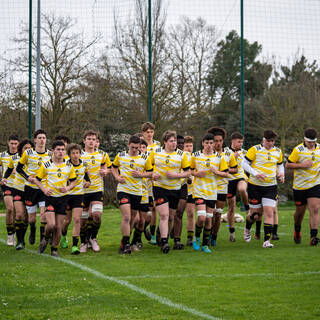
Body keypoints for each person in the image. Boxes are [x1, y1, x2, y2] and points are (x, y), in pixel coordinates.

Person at [32, 140, 77, 256]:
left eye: (63, 150)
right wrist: (44, 190)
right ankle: (46, 237)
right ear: (53, 151)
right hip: (50, 198)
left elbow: (74, 181)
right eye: (58, 149)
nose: (61, 152)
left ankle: (54, 249)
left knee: (58, 226)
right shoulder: (46, 165)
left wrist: (68, 188)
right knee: (51, 224)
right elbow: (37, 180)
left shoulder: (68, 165)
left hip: (63, 199)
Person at [149, 130, 191, 253]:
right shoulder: (155, 152)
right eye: (171, 141)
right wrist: (152, 174)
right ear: (165, 142)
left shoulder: (181, 155)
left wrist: (176, 175)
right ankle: (164, 242)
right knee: (164, 215)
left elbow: (188, 172)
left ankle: (161, 234)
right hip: (159, 188)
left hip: (175, 189)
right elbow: (147, 167)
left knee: (171, 217)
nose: (174, 143)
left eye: (175, 141)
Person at [242, 130, 284, 248]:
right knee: (255, 215)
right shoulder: (255, 149)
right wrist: (255, 174)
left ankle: (266, 241)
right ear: (263, 140)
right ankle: (247, 228)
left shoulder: (277, 151)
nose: (270, 143)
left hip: (271, 186)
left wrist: (281, 174)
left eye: (272, 141)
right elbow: (244, 163)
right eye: (268, 141)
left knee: (269, 211)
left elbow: (280, 165)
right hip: (255, 186)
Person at [112, 135, 153, 254]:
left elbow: (150, 173)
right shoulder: (121, 155)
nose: (134, 149)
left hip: (137, 192)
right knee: (126, 217)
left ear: (140, 146)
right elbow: (114, 168)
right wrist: (117, 177)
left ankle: (125, 242)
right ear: (128, 144)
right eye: (132, 147)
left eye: (136, 147)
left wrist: (141, 175)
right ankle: (125, 244)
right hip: (123, 190)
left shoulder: (145, 158)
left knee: (133, 219)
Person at [191, 133, 229, 253]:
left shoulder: (219, 157)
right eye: (206, 143)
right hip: (199, 191)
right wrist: (197, 174)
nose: (209, 145)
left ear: (213, 144)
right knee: (201, 217)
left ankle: (205, 244)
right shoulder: (195, 155)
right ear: (202, 143)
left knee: (208, 219)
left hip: (212, 192)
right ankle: (196, 237)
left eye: (211, 143)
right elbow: (190, 170)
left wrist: (216, 172)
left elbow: (226, 173)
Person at [16, 129, 51, 245]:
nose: (42, 140)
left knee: (43, 216)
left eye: (44, 138)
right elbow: (19, 168)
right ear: (35, 140)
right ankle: (32, 228)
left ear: (46, 140)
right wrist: (27, 177)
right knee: (31, 219)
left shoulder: (50, 154)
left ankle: (42, 240)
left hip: (43, 189)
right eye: (39, 138)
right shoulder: (28, 153)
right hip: (30, 189)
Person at [286, 128, 320, 245]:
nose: (311, 144)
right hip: (300, 186)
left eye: (313, 141)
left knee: (315, 209)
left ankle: (313, 237)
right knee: (299, 213)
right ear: (304, 139)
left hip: (315, 184)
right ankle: (297, 230)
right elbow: (288, 165)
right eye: (309, 142)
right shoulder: (298, 150)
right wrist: (302, 165)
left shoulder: (319, 148)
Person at [80, 130, 111, 252]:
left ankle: (93, 238)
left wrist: (105, 171)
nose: (91, 141)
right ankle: (83, 242)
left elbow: (108, 167)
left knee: (97, 216)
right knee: (83, 220)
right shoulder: (79, 155)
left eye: (94, 139)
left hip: (97, 190)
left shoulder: (102, 154)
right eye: (89, 139)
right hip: (82, 192)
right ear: (84, 141)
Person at [208, 127, 238, 246]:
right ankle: (207, 234)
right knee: (210, 214)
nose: (218, 143)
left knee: (218, 213)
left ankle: (214, 237)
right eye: (215, 141)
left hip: (222, 188)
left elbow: (235, 169)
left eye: (220, 141)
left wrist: (224, 170)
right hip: (209, 187)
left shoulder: (228, 154)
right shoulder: (207, 154)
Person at [60, 143, 91, 254]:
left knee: (77, 219)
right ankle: (63, 235)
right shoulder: (65, 165)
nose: (75, 155)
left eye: (77, 153)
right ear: (69, 154)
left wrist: (87, 183)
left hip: (79, 195)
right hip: (67, 195)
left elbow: (87, 179)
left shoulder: (83, 164)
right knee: (67, 220)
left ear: (80, 153)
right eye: (73, 153)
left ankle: (74, 246)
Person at [226, 132, 249, 242]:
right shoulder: (226, 151)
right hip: (229, 180)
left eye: (242, 142)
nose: (241, 144)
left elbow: (251, 164)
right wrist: (231, 158)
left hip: (241, 177)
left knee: (242, 189)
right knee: (231, 207)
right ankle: (232, 232)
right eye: (239, 142)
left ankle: (247, 208)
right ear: (233, 141)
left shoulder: (245, 152)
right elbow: (221, 166)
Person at [141, 122, 160, 244]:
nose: (149, 134)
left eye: (151, 132)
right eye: (147, 132)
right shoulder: (139, 145)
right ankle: (141, 229)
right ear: (143, 133)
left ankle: (152, 235)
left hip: (154, 180)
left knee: (154, 208)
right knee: (143, 210)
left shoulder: (158, 146)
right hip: (142, 181)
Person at [0, 135, 19, 246]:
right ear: (8, 143)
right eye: (12, 143)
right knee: (10, 208)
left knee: (17, 212)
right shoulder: (2, 155)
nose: (13, 146)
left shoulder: (21, 156)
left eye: (15, 144)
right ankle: (10, 235)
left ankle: (17, 234)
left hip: (18, 186)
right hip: (7, 185)